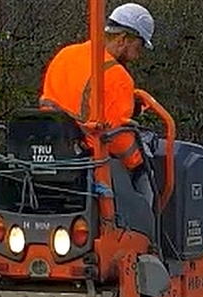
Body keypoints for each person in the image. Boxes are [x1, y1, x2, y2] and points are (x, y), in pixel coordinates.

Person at [39, 3, 155, 207]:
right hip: (90, 162)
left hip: (53, 154)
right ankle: (147, 235)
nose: (139, 54)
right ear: (122, 39)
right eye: (139, 46)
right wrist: (138, 162)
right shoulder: (117, 76)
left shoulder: (65, 55)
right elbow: (119, 139)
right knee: (147, 183)